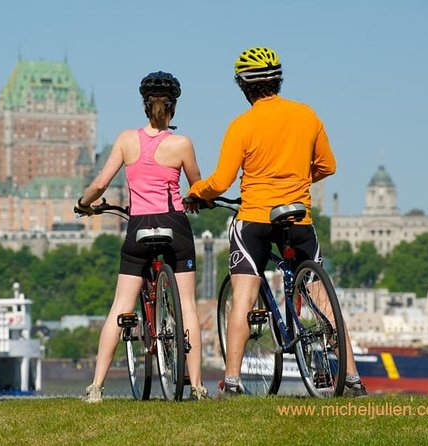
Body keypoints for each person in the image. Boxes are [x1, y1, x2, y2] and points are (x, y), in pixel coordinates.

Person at [187, 47, 367, 397]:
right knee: (323, 298)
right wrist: (297, 180)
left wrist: (197, 192)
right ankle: (353, 378)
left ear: (243, 86)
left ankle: (234, 382)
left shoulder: (242, 125)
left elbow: (221, 182)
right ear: (278, 80)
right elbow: (328, 166)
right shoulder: (307, 115)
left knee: (243, 296)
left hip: (254, 217)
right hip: (298, 216)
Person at [76, 71, 207, 401]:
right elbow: (197, 187)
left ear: (144, 106)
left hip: (138, 226)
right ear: (173, 107)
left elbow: (100, 184)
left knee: (120, 305)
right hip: (174, 225)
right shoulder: (181, 143)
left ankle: (96, 388)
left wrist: (84, 204)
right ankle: (198, 386)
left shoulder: (125, 140)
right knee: (187, 305)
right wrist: (194, 200)